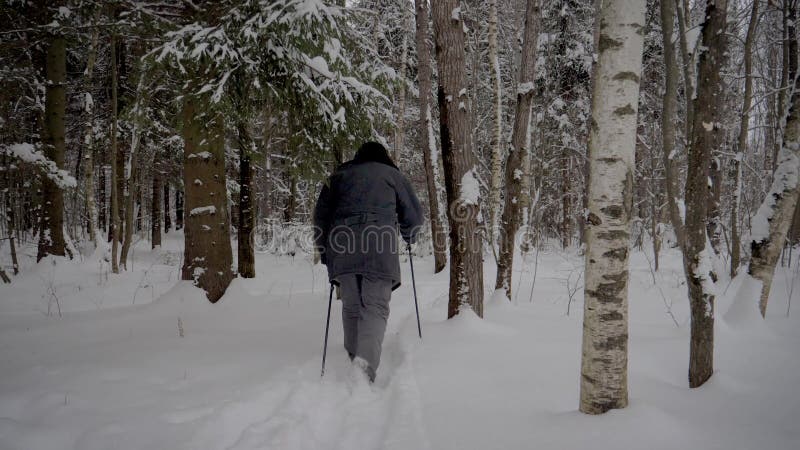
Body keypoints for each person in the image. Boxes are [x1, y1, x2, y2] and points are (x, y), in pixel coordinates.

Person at [314, 141, 423, 382]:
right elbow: (414, 216)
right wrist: (409, 235)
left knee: (352, 306)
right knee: (374, 307)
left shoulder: (339, 176)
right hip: (379, 247)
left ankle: (354, 357)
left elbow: (320, 216)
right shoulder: (392, 175)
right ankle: (363, 371)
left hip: (342, 248)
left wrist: (325, 253)